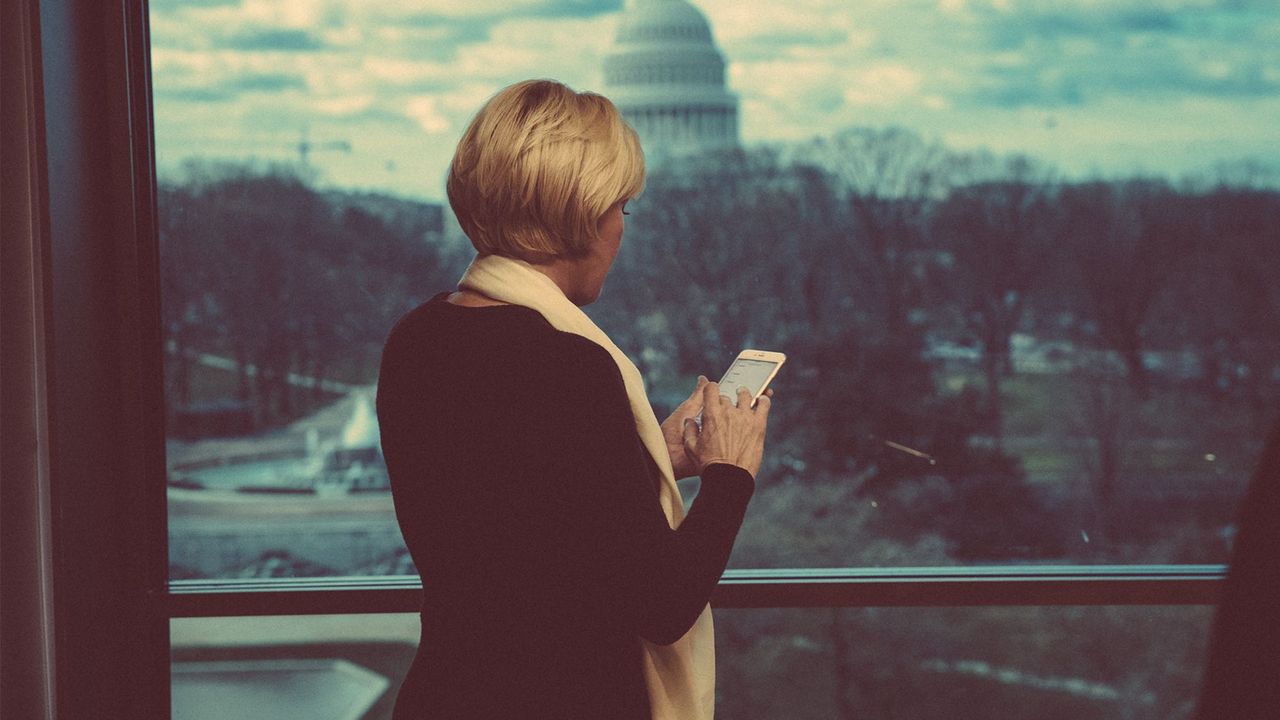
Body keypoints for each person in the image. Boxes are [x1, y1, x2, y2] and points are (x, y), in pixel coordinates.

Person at [376, 79, 772, 720]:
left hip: (444, 695)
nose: (622, 228)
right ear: (581, 213)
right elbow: (663, 604)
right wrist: (730, 475)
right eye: (621, 207)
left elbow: (513, 520)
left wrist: (644, 458)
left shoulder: (418, 337)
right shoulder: (567, 365)